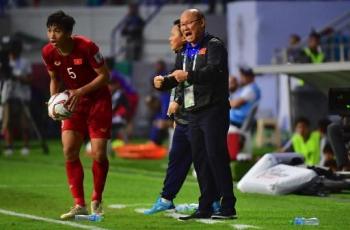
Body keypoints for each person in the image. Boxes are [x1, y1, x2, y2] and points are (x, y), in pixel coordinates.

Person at [161, 9, 236, 220]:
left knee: (216, 156)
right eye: (182, 25)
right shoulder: (184, 51)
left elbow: (214, 71)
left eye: (189, 23)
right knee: (201, 160)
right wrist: (162, 83)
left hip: (214, 110)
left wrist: (188, 75)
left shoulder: (214, 45)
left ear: (201, 23)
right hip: (193, 112)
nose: (185, 27)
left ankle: (228, 205)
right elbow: (177, 79)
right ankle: (205, 206)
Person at [145, 19, 220, 215]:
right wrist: (161, 82)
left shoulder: (198, 53)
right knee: (177, 159)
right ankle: (166, 199)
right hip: (184, 118)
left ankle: (213, 201)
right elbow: (178, 81)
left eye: (173, 34)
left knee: (203, 162)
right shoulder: (182, 55)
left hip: (198, 117)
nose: (170, 38)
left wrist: (177, 99)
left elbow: (192, 81)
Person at [42, 11, 111, 220]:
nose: (52, 35)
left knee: (98, 153)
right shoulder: (48, 52)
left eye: (58, 30)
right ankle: (78, 204)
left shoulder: (87, 47)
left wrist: (80, 91)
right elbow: (54, 77)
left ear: (69, 33)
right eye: (50, 30)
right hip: (73, 104)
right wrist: (54, 101)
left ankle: (97, 199)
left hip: (98, 101)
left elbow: (105, 76)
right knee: (69, 151)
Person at [1, 38, 32, 156]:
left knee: (24, 122)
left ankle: (25, 146)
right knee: (7, 122)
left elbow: (30, 79)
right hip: (7, 95)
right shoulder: (4, 62)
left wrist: (18, 77)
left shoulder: (25, 62)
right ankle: (9, 146)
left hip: (22, 96)